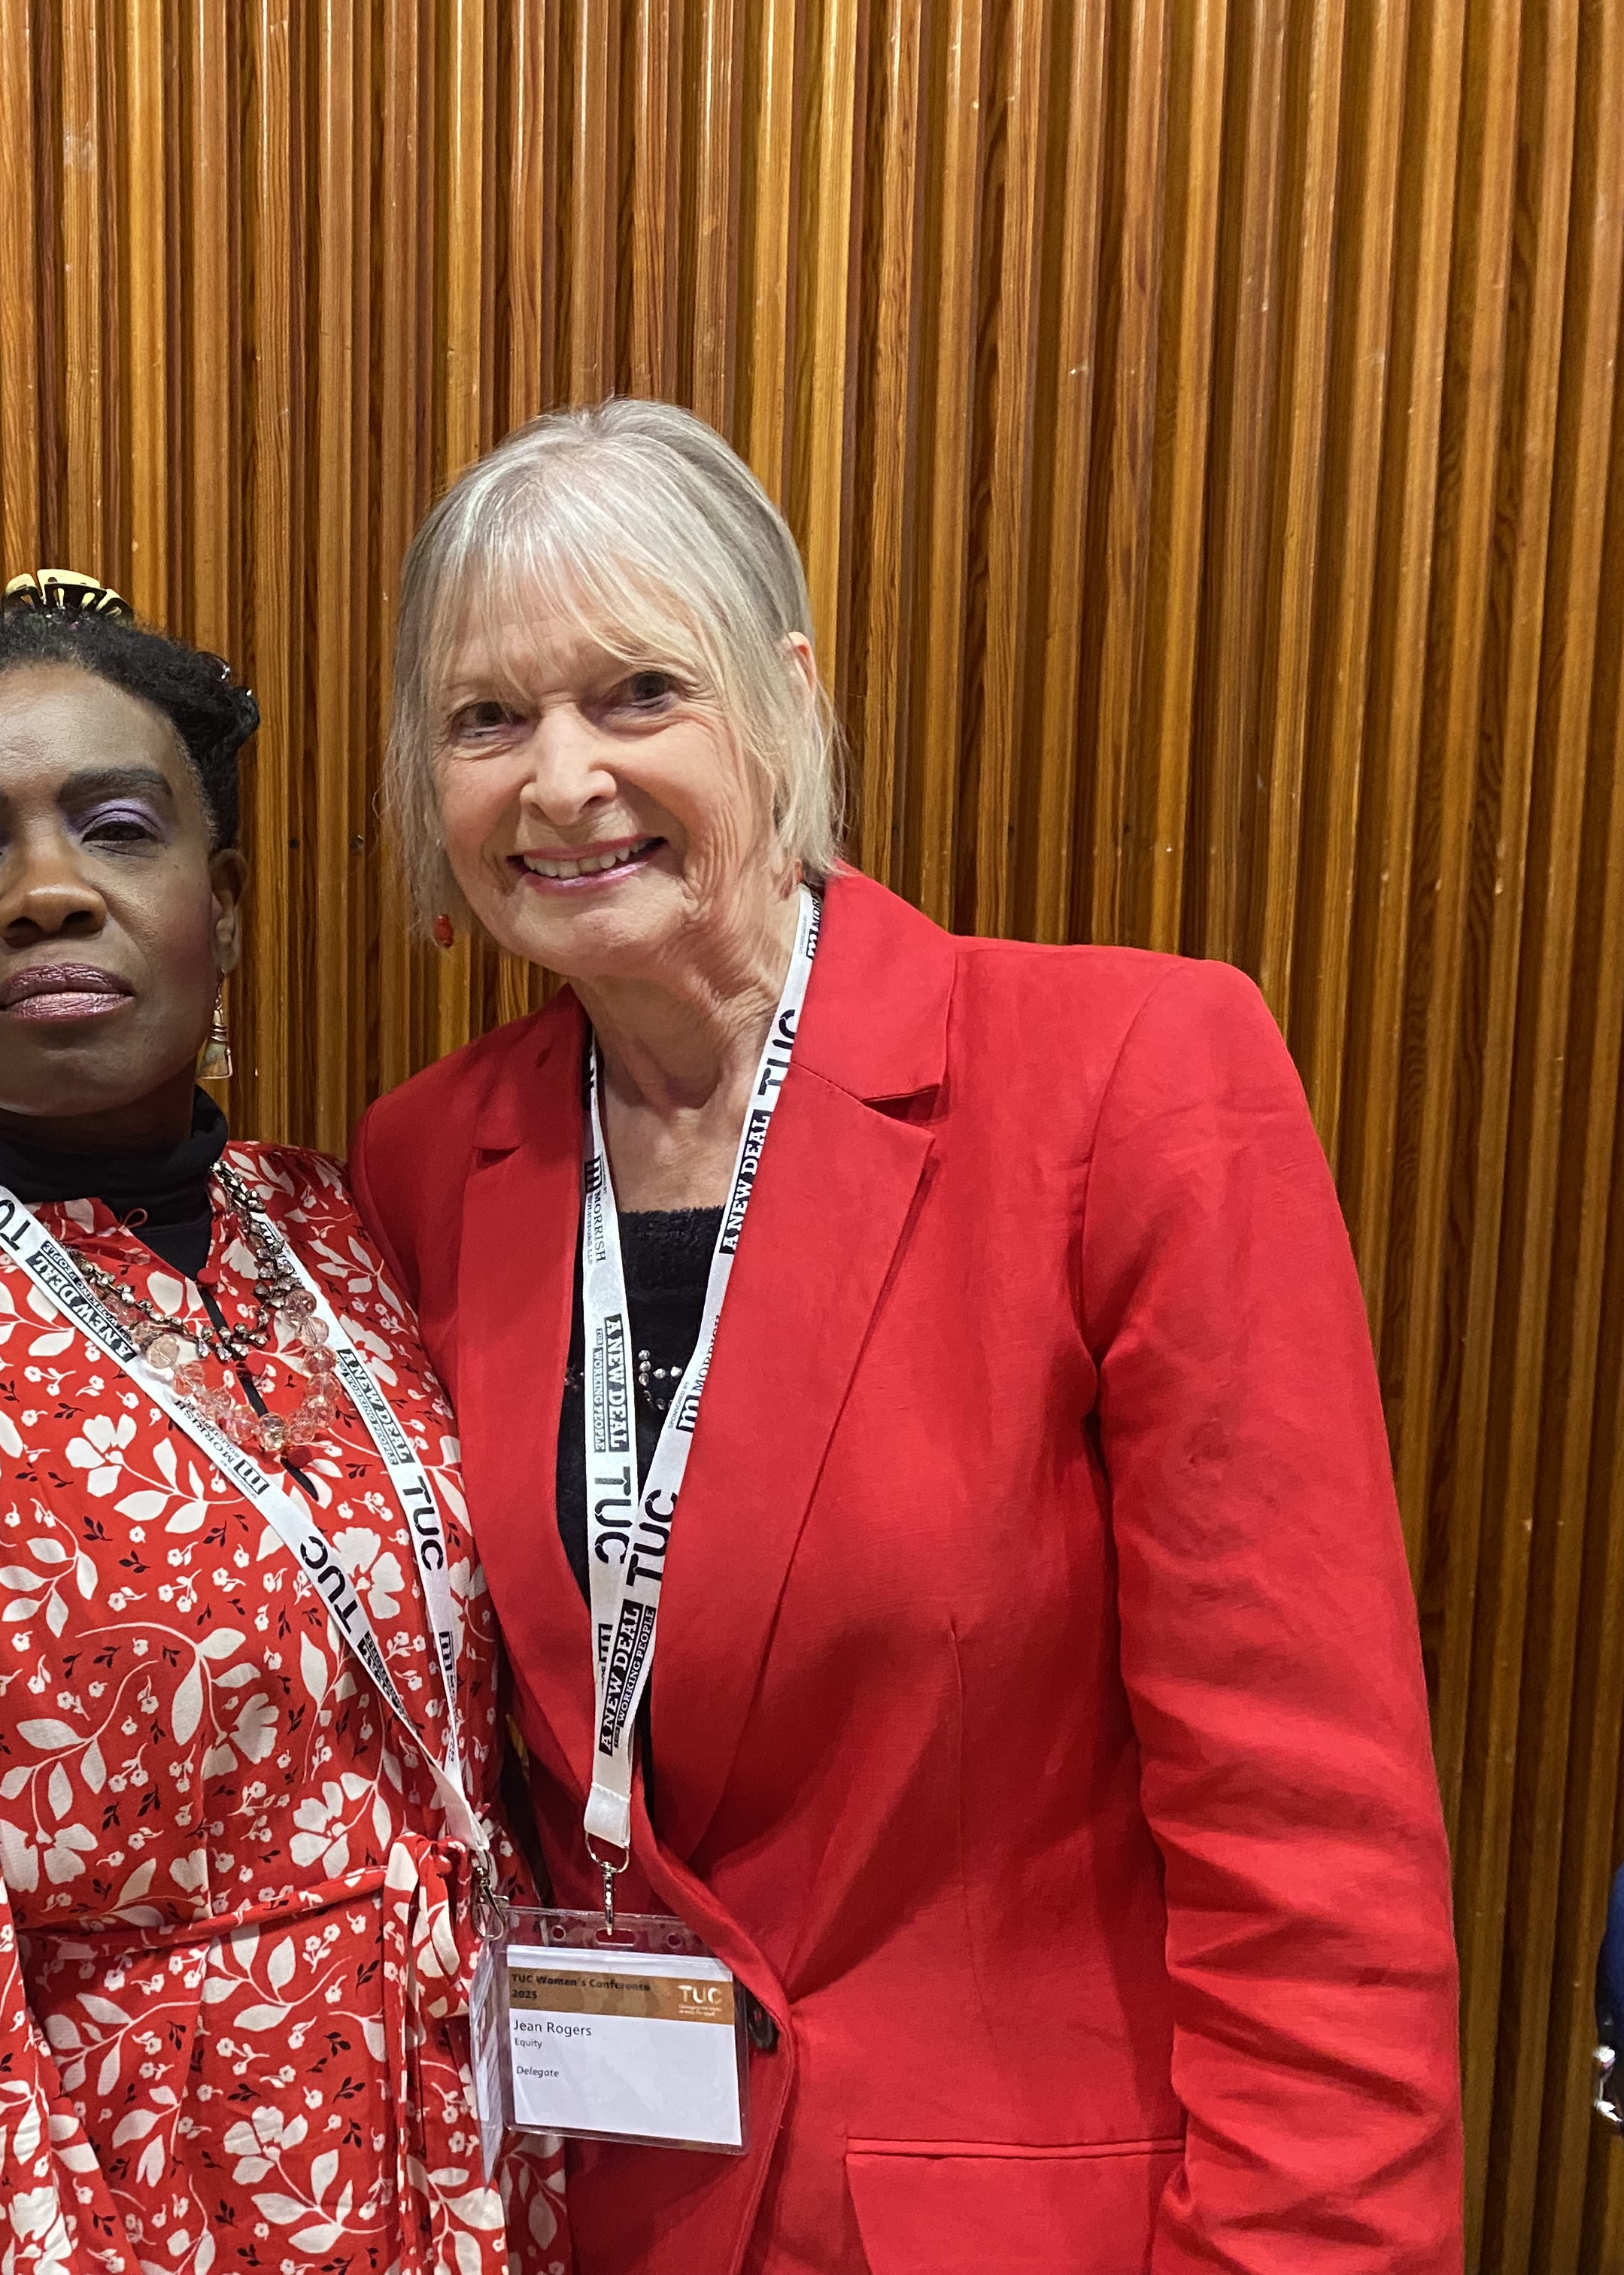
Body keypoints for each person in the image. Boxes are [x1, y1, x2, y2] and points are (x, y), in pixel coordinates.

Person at [348, 399, 1464, 2273]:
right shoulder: (426, 1162)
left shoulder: (1129, 1081)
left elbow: (1309, 1847)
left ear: (786, 696)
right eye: (485, 719)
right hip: (602, 2216)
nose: (558, 781)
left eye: (637, 693)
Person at [0, 573, 562, 2274]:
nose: (46, 893)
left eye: (117, 829)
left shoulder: (343, 1232)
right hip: (155, 2205)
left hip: (493, 2155)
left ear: (220, 908)